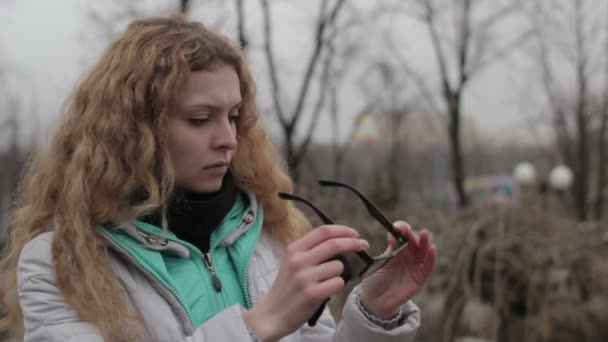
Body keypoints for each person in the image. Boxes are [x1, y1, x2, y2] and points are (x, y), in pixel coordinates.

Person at [0, 15, 436, 342]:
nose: (228, 139)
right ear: (133, 131)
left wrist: (373, 313)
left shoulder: (271, 234)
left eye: (233, 116)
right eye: (200, 118)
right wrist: (255, 326)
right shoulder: (60, 261)